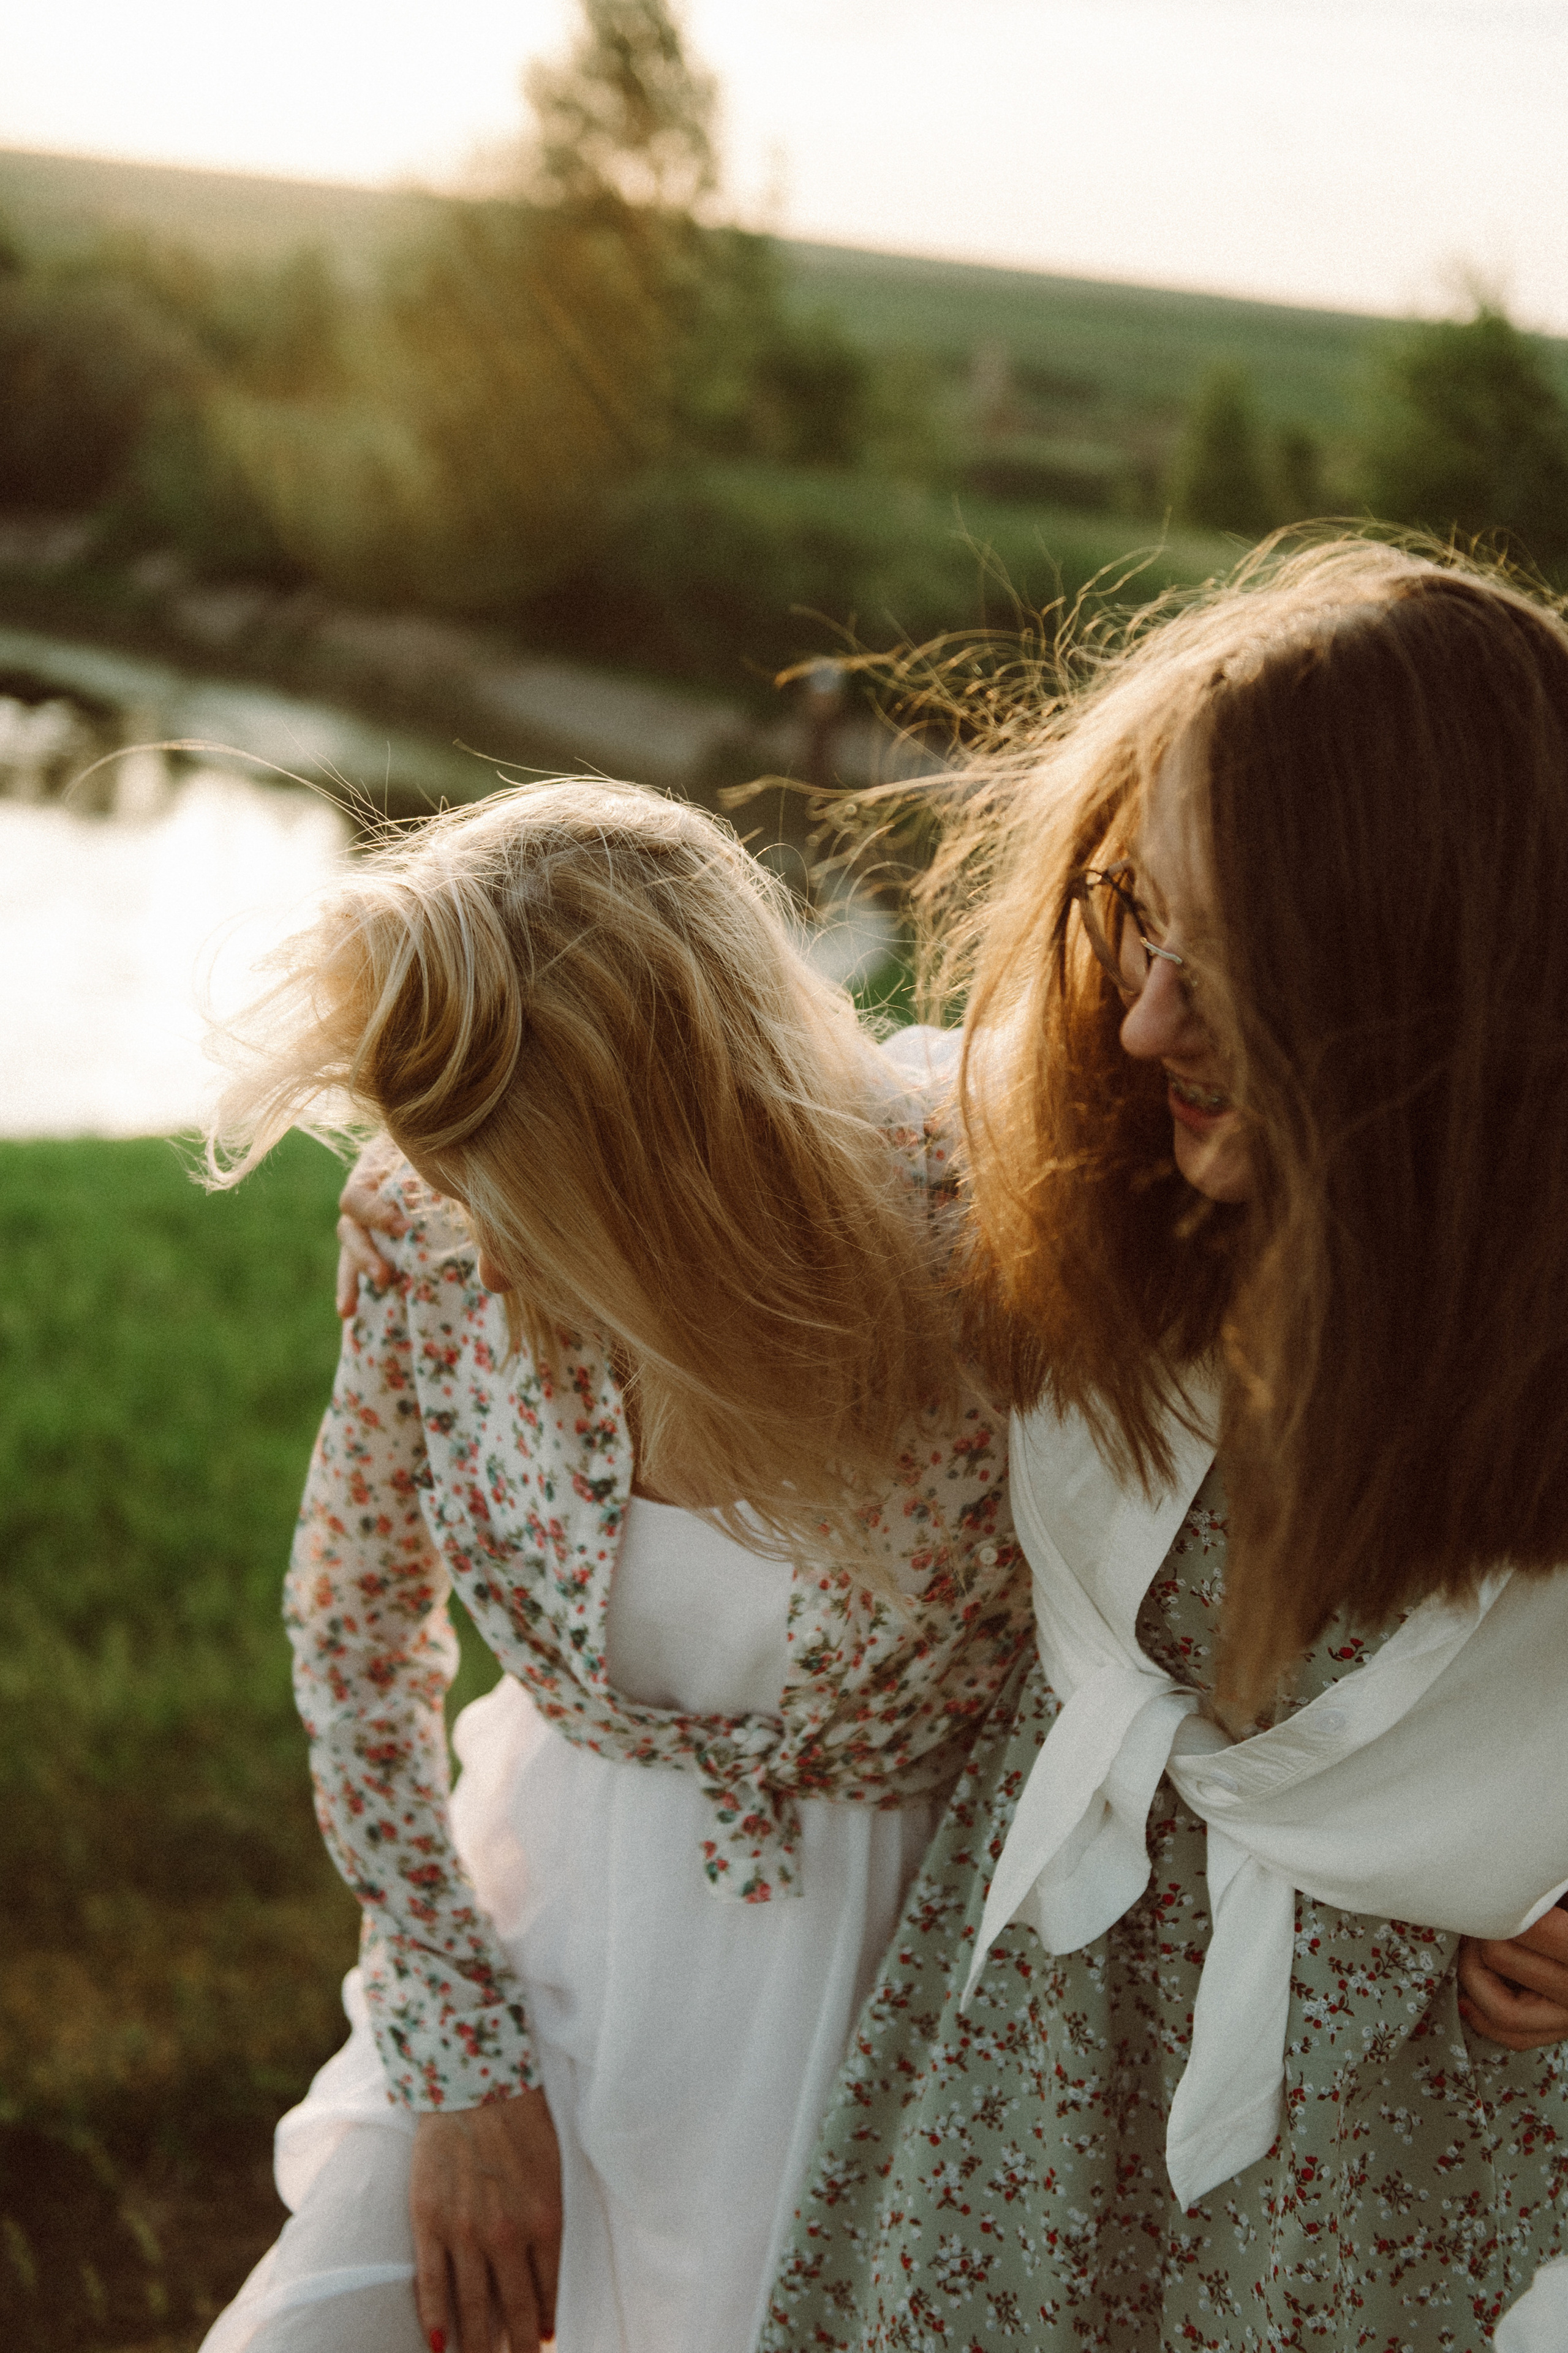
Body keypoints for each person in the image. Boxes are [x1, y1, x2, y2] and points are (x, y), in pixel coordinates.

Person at [760, 538, 1568, 2352]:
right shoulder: (1088, 1175)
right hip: (1036, 2068)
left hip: (1404, 2163)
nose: (1142, 1019)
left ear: (1435, 987)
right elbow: (673, 1093)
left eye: (1235, 963)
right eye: (1148, 920)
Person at [195, 779, 1031, 2353]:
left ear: (680, 1155)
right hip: (535, 1928)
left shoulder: (985, 1231)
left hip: (884, 1987)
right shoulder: (424, 1221)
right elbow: (354, 1622)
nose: (489, 1258)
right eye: (457, 1192)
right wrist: (456, 2052)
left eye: (536, 1203)